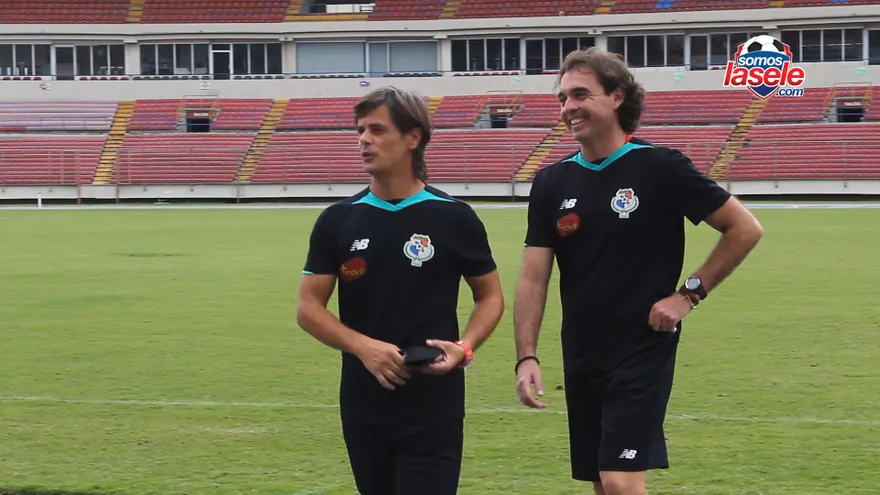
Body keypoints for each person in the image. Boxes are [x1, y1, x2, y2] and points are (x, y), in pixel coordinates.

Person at [512, 48, 764, 495]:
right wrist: (526, 355)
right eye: (563, 98)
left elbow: (744, 228)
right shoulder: (551, 182)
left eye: (580, 94)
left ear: (617, 97)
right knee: (601, 482)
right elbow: (534, 277)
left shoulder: (659, 167)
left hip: (641, 349)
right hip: (582, 351)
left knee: (620, 482)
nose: (568, 107)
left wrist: (688, 295)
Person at [296, 86, 505, 495]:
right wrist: (363, 347)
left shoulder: (454, 217)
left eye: (377, 130)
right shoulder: (337, 221)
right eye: (360, 130)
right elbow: (308, 308)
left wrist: (464, 347)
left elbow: (490, 296)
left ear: (413, 137)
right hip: (363, 402)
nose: (364, 140)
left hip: (434, 403)